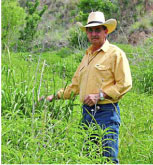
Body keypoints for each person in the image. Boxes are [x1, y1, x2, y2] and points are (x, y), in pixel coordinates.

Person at [39, 11, 132, 163]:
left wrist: (100, 95)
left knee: (108, 158)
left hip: (106, 114)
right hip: (87, 114)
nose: (93, 33)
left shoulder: (116, 54)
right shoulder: (87, 56)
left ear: (105, 31)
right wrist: (53, 97)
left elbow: (125, 83)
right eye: (90, 30)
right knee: (89, 157)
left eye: (97, 30)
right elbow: (74, 87)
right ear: (87, 33)